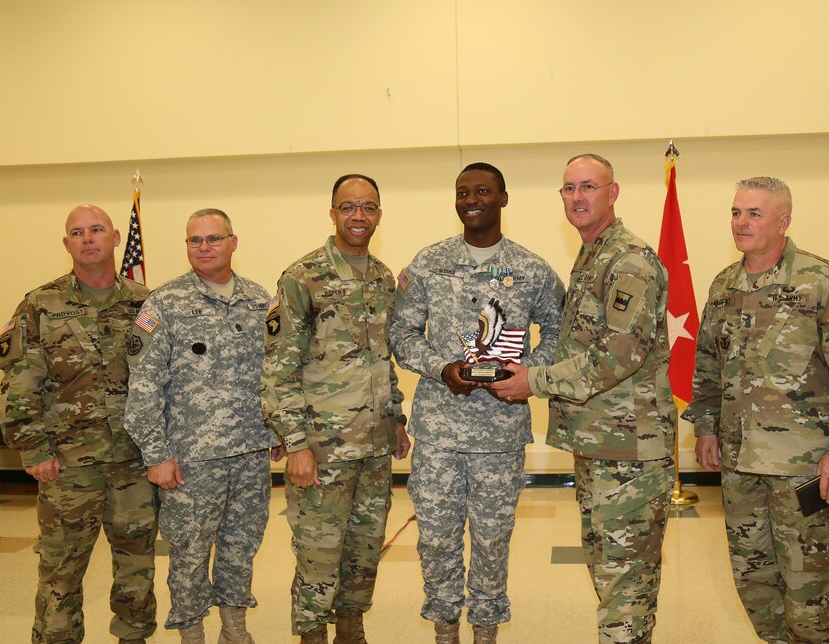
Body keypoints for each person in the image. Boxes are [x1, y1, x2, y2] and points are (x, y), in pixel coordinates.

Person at [492, 154, 675, 644]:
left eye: (588, 186)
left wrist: (533, 380)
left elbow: (618, 354)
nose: (577, 197)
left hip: (631, 452)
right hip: (602, 446)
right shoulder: (594, 255)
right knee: (607, 568)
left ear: (612, 194)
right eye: (569, 188)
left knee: (625, 580)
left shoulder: (628, 260)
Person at [681, 177, 829, 643]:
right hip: (740, 463)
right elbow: (707, 364)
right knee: (754, 582)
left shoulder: (822, 282)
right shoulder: (724, 285)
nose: (741, 223)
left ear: (783, 221)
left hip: (803, 467)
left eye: (754, 214)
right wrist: (705, 428)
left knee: (809, 588)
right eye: (736, 213)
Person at [389, 162, 564, 644]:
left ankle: (486, 631)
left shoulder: (531, 269)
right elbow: (401, 333)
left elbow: (559, 330)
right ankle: (446, 630)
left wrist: (528, 373)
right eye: (463, 192)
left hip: (500, 432)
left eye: (483, 191)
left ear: (503, 198)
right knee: (437, 538)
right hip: (440, 431)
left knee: (491, 540)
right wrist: (440, 368)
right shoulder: (427, 264)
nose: (472, 199)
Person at [0, 204, 157, 644]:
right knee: (60, 570)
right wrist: (33, 448)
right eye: (77, 232)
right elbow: (19, 381)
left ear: (116, 238)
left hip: (136, 463)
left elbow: (169, 381)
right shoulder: (40, 305)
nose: (88, 238)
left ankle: (134, 637)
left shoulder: (147, 303)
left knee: (137, 566)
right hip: (68, 467)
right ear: (66, 243)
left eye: (97, 229)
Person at [263, 174, 411, 644]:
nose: (358, 216)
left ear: (379, 215)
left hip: (373, 445)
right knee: (318, 553)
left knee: (365, 550)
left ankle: (351, 629)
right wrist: (297, 445)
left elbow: (381, 360)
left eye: (368, 207)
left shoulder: (383, 278)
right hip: (322, 449)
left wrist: (398, 420)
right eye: (348, 207)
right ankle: (311, 635)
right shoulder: (301, 277)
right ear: (332, 213)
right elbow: (278, 370)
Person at [125, 208, 280, 643]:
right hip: (190, 462)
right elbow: (144, 387)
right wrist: (156, 455)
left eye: (214, 238)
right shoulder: (164, 303)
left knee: (241, 549)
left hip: (250, 454)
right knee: (189, 555)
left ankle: (235, 630)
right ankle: (191, 634)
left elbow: (276, 373)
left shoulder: (258, 299)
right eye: (195, 240)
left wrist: (279, 431)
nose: (205, 247)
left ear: (234, 241)